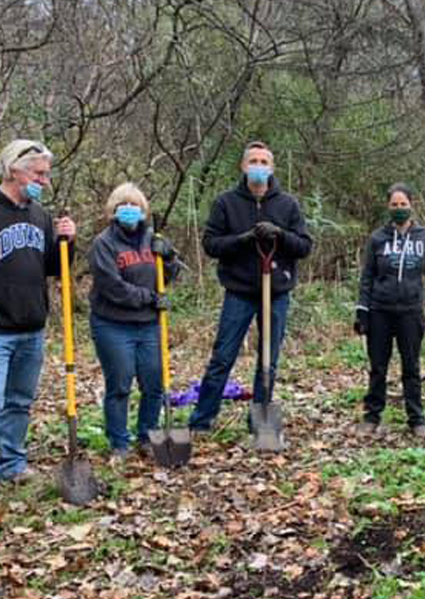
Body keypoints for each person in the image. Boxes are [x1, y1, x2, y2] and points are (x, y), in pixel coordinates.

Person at [0, 139, 77, 510]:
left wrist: (68, 241)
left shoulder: (38, 215)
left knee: (19, 402)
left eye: (47, 174)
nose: (45, 181)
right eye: (38, 173)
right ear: (12, 169)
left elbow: (54, 269)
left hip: (31, 328)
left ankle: (11, 465)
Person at [188, 142, 312, 435]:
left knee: (268, 359)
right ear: (243, 167)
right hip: (239, 291)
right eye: (253, 161)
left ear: (272, 168)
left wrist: (280, 235)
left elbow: (305, 246)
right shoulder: (226, 203)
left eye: (263, 161)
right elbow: (211, 244)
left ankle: (260, 422)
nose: (258, 166)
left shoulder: (288, 204)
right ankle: (202, 421)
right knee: (222, 356)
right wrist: (243, 239)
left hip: (277, 292)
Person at [353, 183, 425, 437]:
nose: (399, 208)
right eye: (394, 204)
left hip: (410, 312)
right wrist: (362, 310)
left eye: (403, 204)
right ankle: (372, 417)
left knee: (411, 367)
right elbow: (367, 276)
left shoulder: (424, 237)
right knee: (378, 367)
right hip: (380, 311)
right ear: (388, 206)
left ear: (411, 205)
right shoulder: (377, 239)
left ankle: (416, 420)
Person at [88, 183, 181, 457]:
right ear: (112, 211)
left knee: (154, 383)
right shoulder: (103, 244)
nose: (129, 210)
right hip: (113, 324)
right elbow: (111, 287)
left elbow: (167, 276)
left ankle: (147, 436)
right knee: (119, 384)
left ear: (144, 211)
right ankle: (119, 442)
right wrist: (150, 298)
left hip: (149, 325)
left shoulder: (153, 238)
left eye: (135, 206)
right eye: (122, 206)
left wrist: (170, 257)